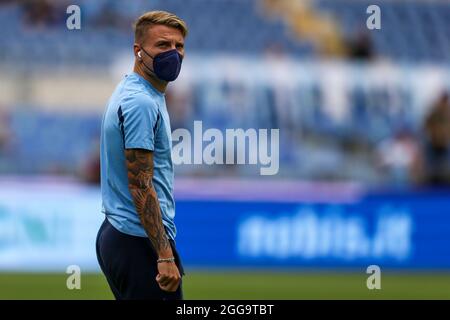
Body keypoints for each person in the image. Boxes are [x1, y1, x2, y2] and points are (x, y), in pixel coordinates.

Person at [96, 11, 188, 300]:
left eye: (179, 46)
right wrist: (163, 254)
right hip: (138, 240)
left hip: (126, 234)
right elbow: (140, 184)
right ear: (138, 51)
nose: (173, 53)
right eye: (163, 45)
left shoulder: (141, 92)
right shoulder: (141, 103)